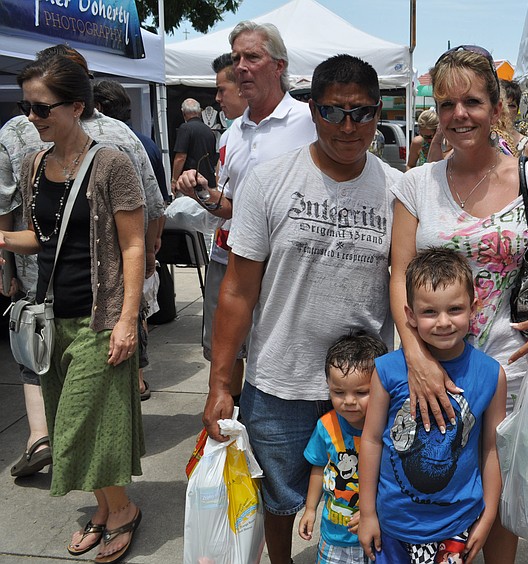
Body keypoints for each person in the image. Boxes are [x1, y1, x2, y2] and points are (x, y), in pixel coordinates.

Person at [388, 45, 528, 563]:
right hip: (435, 371)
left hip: (513, 371)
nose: (460, 114)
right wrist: (414, 355)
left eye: (473, 101)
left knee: (502, 503)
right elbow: (399, 274)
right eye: (448, 103)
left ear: (496, 105)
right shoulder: (416, 185)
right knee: (434, 488)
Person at [200, 54, 401, 564]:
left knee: (365, 496)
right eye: (335, 111)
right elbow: (238, 291)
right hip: (279, 381)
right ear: (313, 110)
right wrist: (221, 383)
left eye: (362, 112)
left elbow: (405, 293)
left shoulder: (399, 191)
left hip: (366, 386)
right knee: (281, 499)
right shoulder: (268, 181)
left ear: (380, 112)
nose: (349, 126)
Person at [2, 55, 145, 563]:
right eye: (26, 106)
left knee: (83, 424)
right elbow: (42, 239)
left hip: (100, 318)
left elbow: (132, 247)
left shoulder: (111, 164)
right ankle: (105, 509)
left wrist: (128, 319)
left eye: (42, 108)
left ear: (76, 106)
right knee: (72, 421)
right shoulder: (34, 165)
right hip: (51, 318)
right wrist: (1, 239)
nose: (32, 118)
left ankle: (123, 509)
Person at [175, 24, 315, 409]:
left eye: (252, 57)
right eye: (236, 58)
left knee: (277, 359)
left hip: (290, 268)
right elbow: (232, 207)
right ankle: (238, 432)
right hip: (239, 261)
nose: (241, 67)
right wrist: (201, 191)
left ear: (278, 65)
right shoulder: (231, 134)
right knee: (234, 350)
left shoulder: (309, 120)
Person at [359, 247, 507, 564]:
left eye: (454, 309)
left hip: (457, 523)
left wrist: (490, 512)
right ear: (409, 315)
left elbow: (492, 448)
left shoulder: (491, 374)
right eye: (429, 312)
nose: (443, 322)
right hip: (392, 522)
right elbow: (371, 440)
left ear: (474, 307)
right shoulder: (386, 370)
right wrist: (367, 512)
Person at [93, 78, 166, 401]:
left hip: (122, 254)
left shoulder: (117, 143)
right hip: (139, 247)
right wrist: (153, 244)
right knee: (139, 313)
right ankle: (137, 378)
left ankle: (135, 379)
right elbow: (158, 203)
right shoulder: (143, 143)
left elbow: (152, 201)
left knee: (131, 314)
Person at [298, 331, 388, 564]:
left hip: (378, 535)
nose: (348, 401)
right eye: (338, 392)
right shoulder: (326, 426)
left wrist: (375, 510)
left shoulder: (388, 429)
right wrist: (310, 509)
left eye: (361, 392)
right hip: (334, 536)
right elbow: (319, 467)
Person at [171, 98, 218, 189]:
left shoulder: (185, 128)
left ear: (183, 113)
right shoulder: (209, 131)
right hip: (208, 181)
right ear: (200, 112)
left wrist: (174, 180)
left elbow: (180, 157)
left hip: (190, 181)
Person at [498, 79, 528, 158]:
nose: (506, 110)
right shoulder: (480, 140)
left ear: (517, 111)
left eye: (511, 106)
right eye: (502, 105)